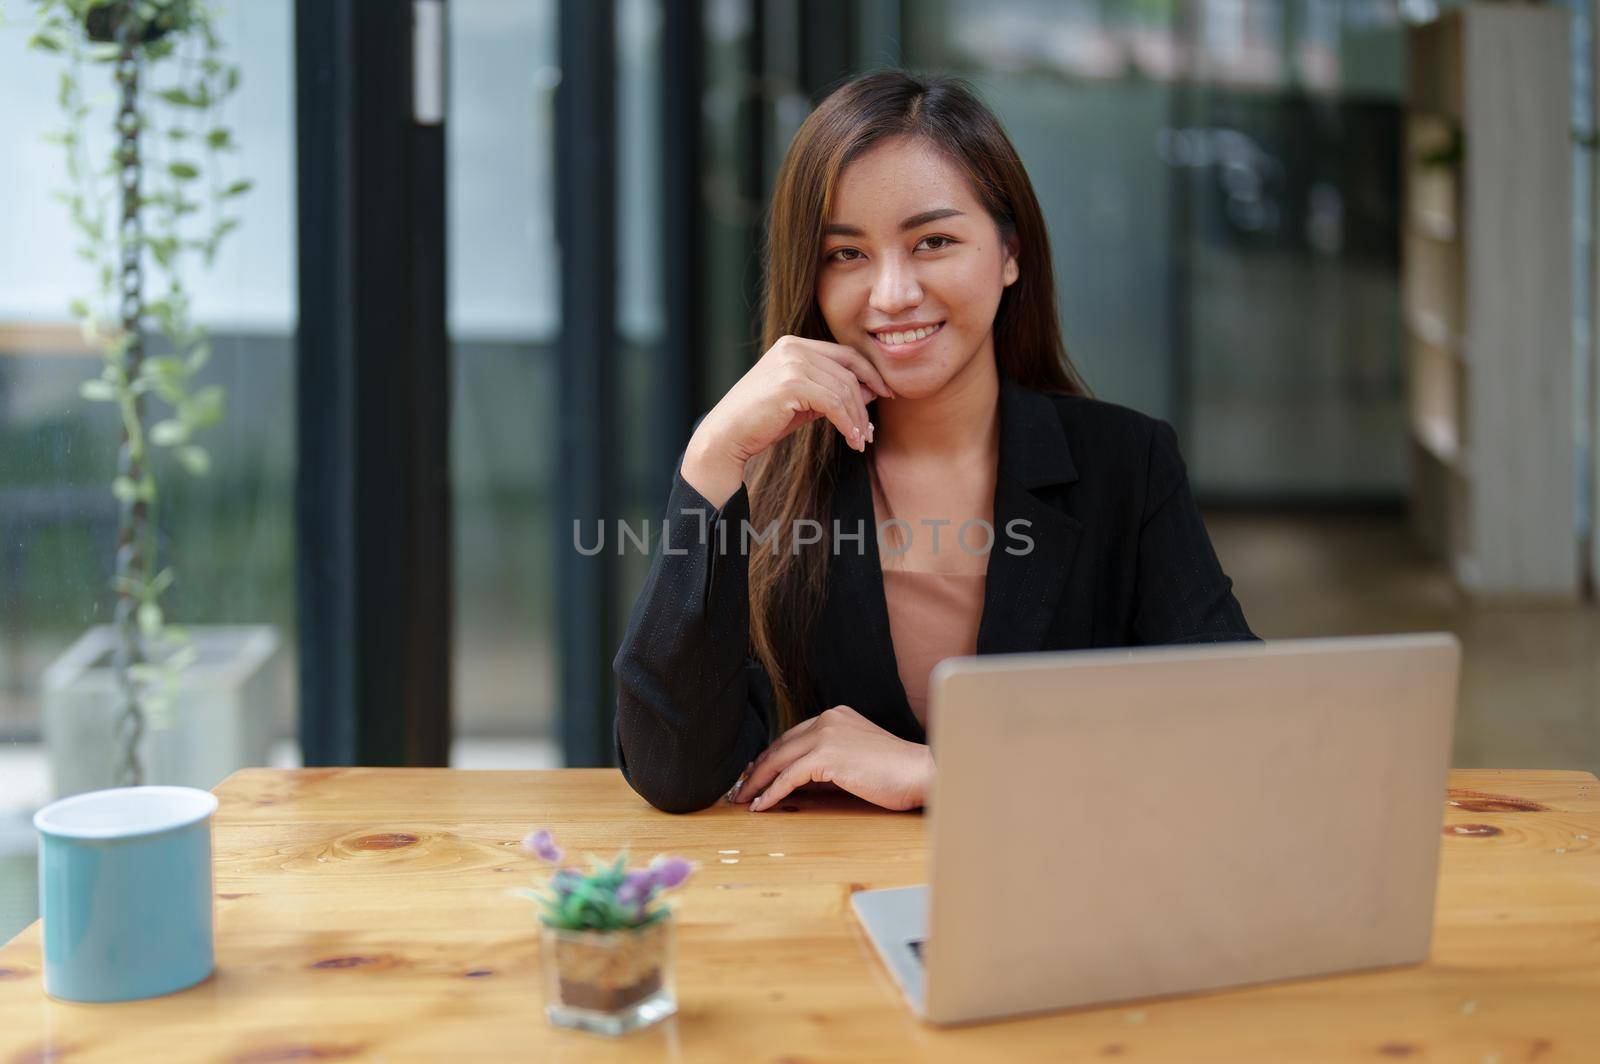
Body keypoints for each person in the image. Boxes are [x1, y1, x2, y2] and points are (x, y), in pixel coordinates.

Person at [613, 71, 1254, 815]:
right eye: (845, 255)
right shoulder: (765, 474)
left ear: (1010, 254)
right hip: (816, 906)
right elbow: (672, 771)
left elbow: (1234, 739)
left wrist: (937, 774)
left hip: (1059, 895)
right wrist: (711, 458)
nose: (892, 294)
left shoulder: (1127, 463)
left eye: (934, 241)